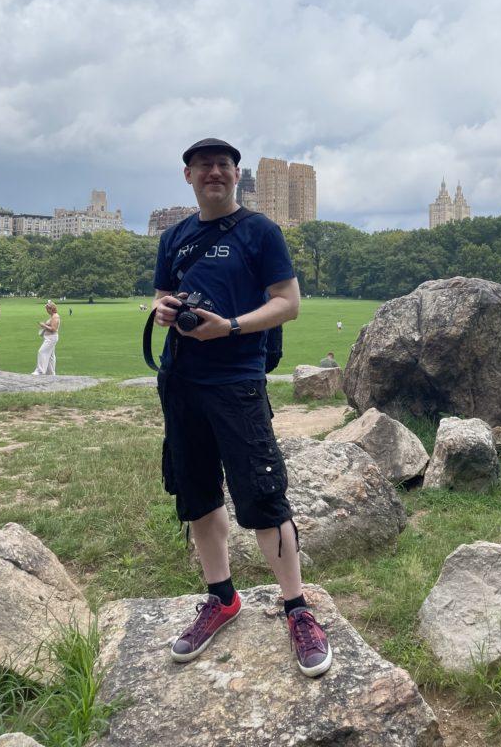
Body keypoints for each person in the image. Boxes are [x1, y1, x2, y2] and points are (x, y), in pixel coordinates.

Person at [152, 138, 331, 677]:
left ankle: (297, 608)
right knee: (198, 492)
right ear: (188, 176)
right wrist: (165, 310)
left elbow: (288, 303)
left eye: (224, 165)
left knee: (262, 495)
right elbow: (163, 295)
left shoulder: (260, 231)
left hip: (236, 381)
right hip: (181, 380)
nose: (214, 172)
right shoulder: (174, 237)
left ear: (235, 176)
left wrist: (229, 326)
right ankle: (221, 597)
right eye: (204, 165)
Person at [33, 301, 60, 375]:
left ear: (51, 309)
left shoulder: (55, 317)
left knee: (41, 351)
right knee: (51, 356)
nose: (47, 311)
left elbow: (54, 329)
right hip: (49, 337)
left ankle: (40, 371)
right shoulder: (53, 316)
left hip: (51, 338)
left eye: (47, 309)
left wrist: (44, 325)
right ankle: (50, 372)